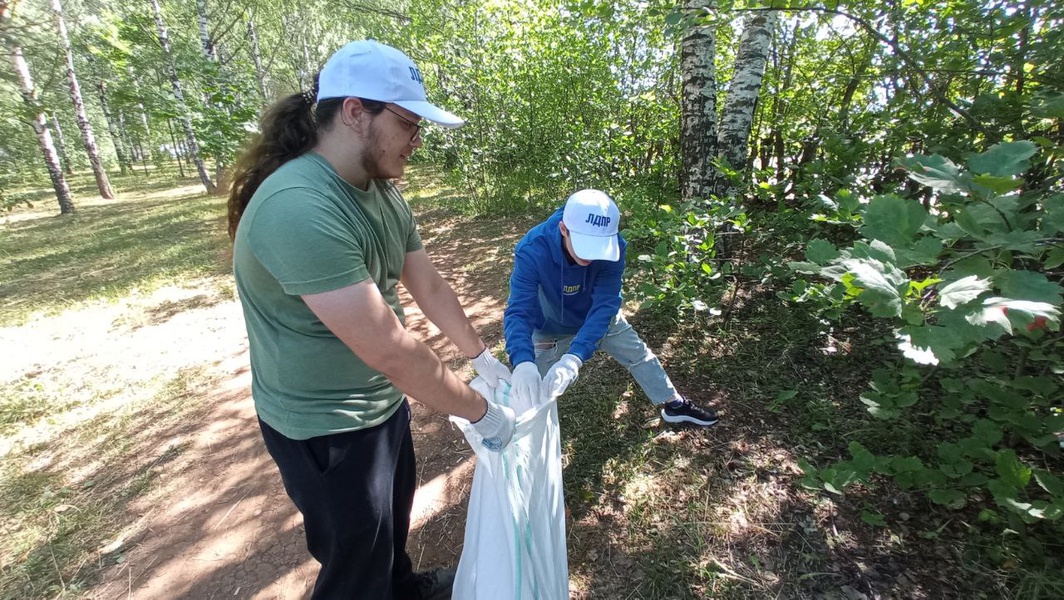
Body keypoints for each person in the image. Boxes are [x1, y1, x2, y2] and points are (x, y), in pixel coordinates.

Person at [227, 40, 516, 600]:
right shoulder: (298, 206)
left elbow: (426, 282)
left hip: (378, 405)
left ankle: (401, 588)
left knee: (387, 528)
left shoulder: (381, 191)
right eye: (409, 123)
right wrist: (482, 412)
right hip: (324, 426)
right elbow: (390, 349)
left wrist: (480, 356)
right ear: (356, 111)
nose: (418, 140)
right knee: (354, 563)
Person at [503, 189, 719, 427]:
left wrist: (574, 358)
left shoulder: (616, 246)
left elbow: (606, 302)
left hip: (598, 318)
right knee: (530, 389)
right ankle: (523, 430)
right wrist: (523, 361)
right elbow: (519, 310)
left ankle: (674, 404)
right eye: (586, 246)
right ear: (564, 229)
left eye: (600, 247)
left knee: (638, 354)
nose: (593, 257)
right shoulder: (533, 248)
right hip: (548, 326)